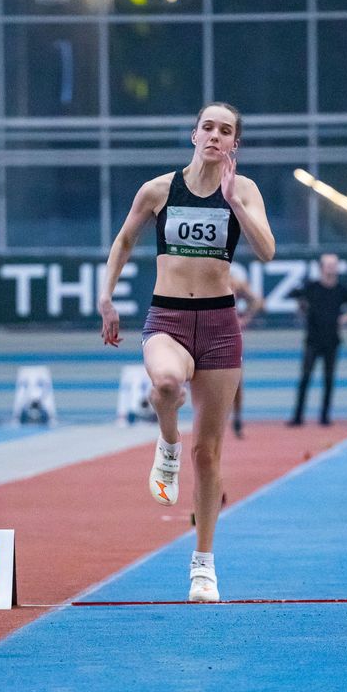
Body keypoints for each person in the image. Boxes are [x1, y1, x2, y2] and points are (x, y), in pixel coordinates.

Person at [98, 102, 275, 602]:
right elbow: (124, 240)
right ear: (194, 135)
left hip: (220, 325)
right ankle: (168, 445)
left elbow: (267, 251)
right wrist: (106, 297)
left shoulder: (244, 190)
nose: (215, 136)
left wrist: (234, 203)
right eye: (208, 127)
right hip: (169, 318)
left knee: (210, 453)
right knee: (166, 383)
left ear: (234, 144)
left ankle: (203, 566)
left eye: (226, 131)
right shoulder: (159, 190)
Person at [287, 252, 347, 427]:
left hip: (332, 340)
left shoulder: (341, 289)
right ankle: (298, 416)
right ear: (321, 268)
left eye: (334, 265)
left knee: (328, 379)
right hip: (312, 340)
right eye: (328, 265)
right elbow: (296, 296)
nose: (331, 269)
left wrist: (345, 319)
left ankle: (324, 417)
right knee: (305, 378)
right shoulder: (312, 287)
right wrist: (302, 308)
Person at [229, 268, 264, 437]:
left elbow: (257, 301)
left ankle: (237, 417)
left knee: (236, 379)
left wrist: (245, 319)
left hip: (229, 333)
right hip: (207, 331)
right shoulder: (203, 277)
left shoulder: (234, 282)